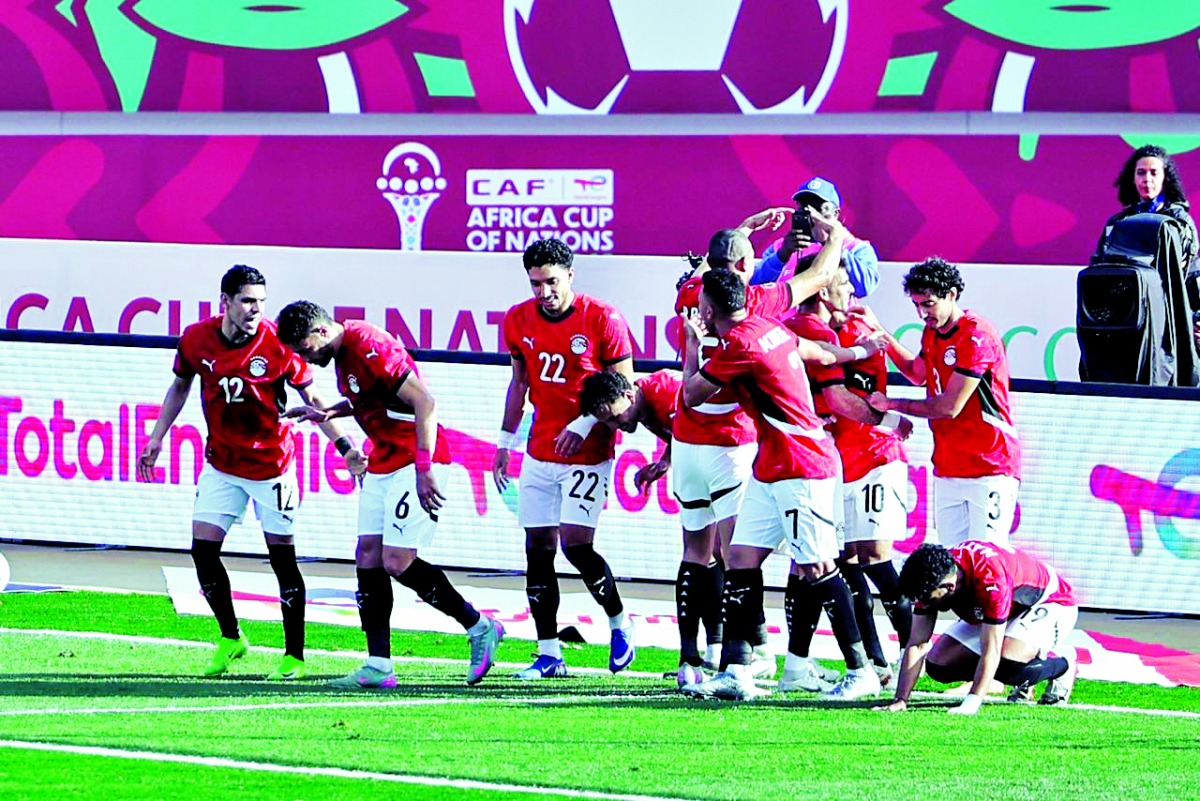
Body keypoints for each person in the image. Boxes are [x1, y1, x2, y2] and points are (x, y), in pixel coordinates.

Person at [138, 265, 361, 680]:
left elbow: (313, 399)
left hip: (272, 468)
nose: (256, 309)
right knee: (202, 552)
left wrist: (345, 447)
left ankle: (294, 656)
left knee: (282, 560)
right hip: (222, 465)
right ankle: (231, 637)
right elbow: (180, 387)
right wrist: (157, 436)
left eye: (260, 301)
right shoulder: (196, 339)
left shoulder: (278, 343)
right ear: (225, 301)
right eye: (247, 301)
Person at [276, 300, 503, 688]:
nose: (305, 359)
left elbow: (424, 402)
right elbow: (372, 398)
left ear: (321, 331)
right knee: (367, 555)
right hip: (383, 458)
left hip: (414, 459)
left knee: (397, 561)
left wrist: (424, 467)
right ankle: (379, 665)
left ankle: (480, 626)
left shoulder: (369, 346)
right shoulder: (345, 353)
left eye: (305, 349)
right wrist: (329, 413)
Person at [679, 269, 883, 702]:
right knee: (740, 558)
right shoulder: (766, 327)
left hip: (800, 465)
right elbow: (819, 354)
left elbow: (692, 396)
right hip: (772, 464)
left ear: (708, 311)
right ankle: (738, 671)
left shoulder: (739, 345)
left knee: (817, 567)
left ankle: (861, 670)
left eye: (700, 306)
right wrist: (859, 351)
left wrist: (693, 346)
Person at [671, 224, 846, 685]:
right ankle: (757, 655)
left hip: (691, 441)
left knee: (702, 551)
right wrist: (835, 235)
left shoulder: (692, 296)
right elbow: (818, 276)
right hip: (738, 445)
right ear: (745, 265)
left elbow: (715, 265)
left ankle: (697, 659)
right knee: (748, 556)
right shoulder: (758, 305)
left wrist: (745, 232)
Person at [492, 238, 636, 679]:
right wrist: (505, 441)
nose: (544, 292)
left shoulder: (603, 318)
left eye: (552, 281)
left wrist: (585, 423)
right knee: (537, 549)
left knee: (576, 545)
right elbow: (519, 383)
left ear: (570, 275)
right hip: (540, 451)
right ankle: (549, 652)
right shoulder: (517, 319)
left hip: (588, 453)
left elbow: (625, 392)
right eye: (536, 283)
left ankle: (620, 622)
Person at [783, 265, 915, 691]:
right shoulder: (809, 330)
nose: (852, 294)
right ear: (822, 291)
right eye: (843, 285)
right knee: (840, 562)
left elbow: (884, 386)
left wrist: (889, 417)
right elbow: (834, 397)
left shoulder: (860, 327)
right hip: (834, 463)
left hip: (875, 456)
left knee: (874, 556)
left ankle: (914, 649)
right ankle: (874, 662)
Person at [864, 257, 1021, 547]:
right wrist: (881, 333)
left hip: (989, 466)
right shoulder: (932, 332)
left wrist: (892, 404)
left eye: (928, 304)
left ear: (951, 294)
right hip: (949, 467)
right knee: (951, 561)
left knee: (986, 558)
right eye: (916, 305)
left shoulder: (976, 336)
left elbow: (949, 407)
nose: (922, 313)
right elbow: (916, 373)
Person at [580, 368, 705, 678]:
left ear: (628, 395)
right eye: (608, 422)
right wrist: (665, 462)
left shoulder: (663, 391)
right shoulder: (640, 405)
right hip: (709, 461)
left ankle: (744, 651)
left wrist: (668, 461)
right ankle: (716, 652)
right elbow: (684, 433)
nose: (616, 426)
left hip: (731, 459)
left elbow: (696, 428)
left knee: (718, 554)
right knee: (710, 554)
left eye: (615, 417)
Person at [885, 541, 1079, 715]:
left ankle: (1062, 667)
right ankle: (1020, 669)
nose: (925, 605)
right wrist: (901, 699)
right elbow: (917, 643)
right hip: (1008, 606)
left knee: (1009, 665)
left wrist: (972, 701)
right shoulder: (935, 579)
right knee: (939, 665)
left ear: (950, 586)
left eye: (928, 599)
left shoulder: (990, 580)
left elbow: (991, 651)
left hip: (1052, 601)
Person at [750, 177, 881, 299]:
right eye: (804, 207)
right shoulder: (780, 247)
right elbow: (755, 286)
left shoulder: (856, 248)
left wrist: (832, 243)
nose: (811, 214)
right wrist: (782, 256)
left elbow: (865, 287)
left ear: (835, 213)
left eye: (818, 208)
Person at [1095, 144, 1196, 269]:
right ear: (1133, 178)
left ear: (1165, 179)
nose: (1147, 179)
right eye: (1141, 173)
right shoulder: (1117, 223)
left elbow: (1185, 265)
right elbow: (1098, 263)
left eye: (1154, 173)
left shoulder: (1180, 220)